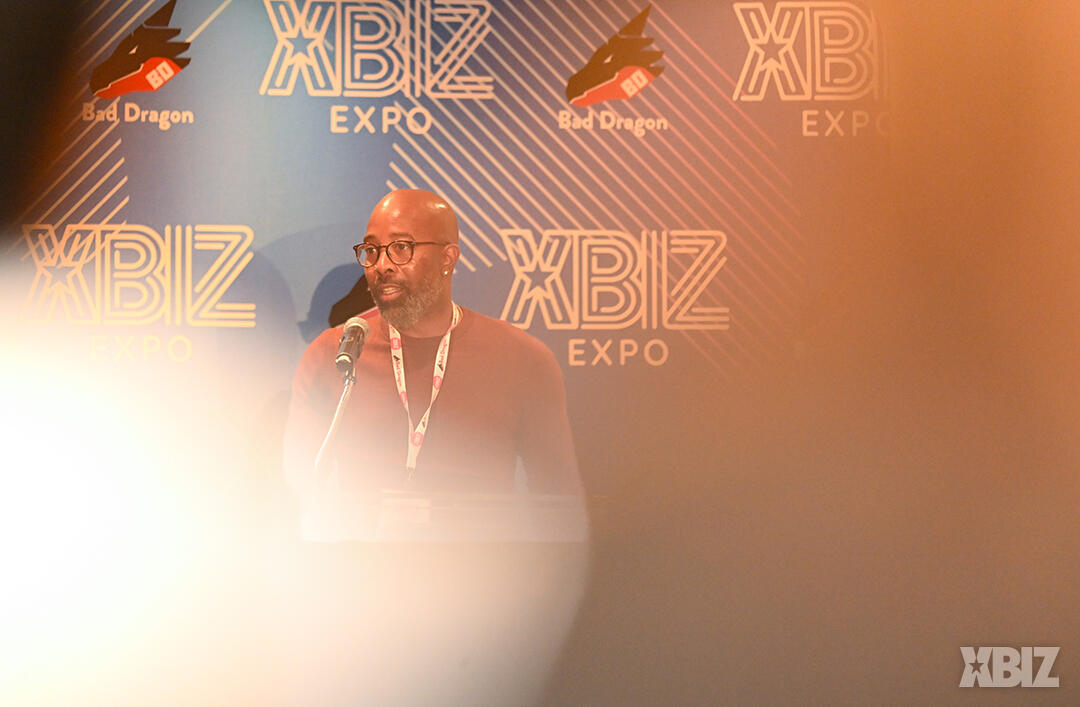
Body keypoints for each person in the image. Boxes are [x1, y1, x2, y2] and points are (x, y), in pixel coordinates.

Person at [283, 189, 580, 516]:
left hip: (481, 548)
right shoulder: (335, 355)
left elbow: (559, 508)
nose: (381, 265)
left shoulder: (523, 359)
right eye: (372, 250)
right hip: (359, 548)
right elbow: (295, 498)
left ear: (447, 258)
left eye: (401, 248)